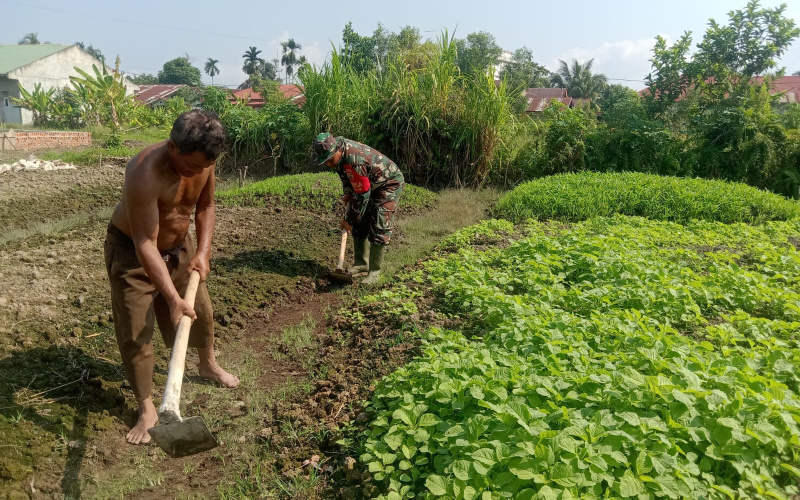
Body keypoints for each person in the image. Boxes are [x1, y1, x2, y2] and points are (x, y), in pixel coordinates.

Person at [104, 110, 239, 445]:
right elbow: (144, 242)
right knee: (136, 328)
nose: (198, 172)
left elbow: (206, 206)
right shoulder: (143, 172)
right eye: (191, 166)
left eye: (204, 166)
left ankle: (208, 364)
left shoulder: (204, 160)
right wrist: (172, 297)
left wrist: (202, 252)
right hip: (134, 253)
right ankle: (147, 407)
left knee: (201, 311)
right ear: (172, 147)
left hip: (179, 247)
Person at [312, 132, 405, 284]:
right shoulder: (339, 151)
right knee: (361, 220)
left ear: (337, 150)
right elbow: (349, 177)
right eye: (324, 161)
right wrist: (348, 193)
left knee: (380, 222)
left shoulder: (355, 159)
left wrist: (349, 219)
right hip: (368, 183)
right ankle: (361, 264)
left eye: (329, 159)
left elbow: (362, 196)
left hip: (388, 182)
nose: (327, 164)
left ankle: (375, 272)